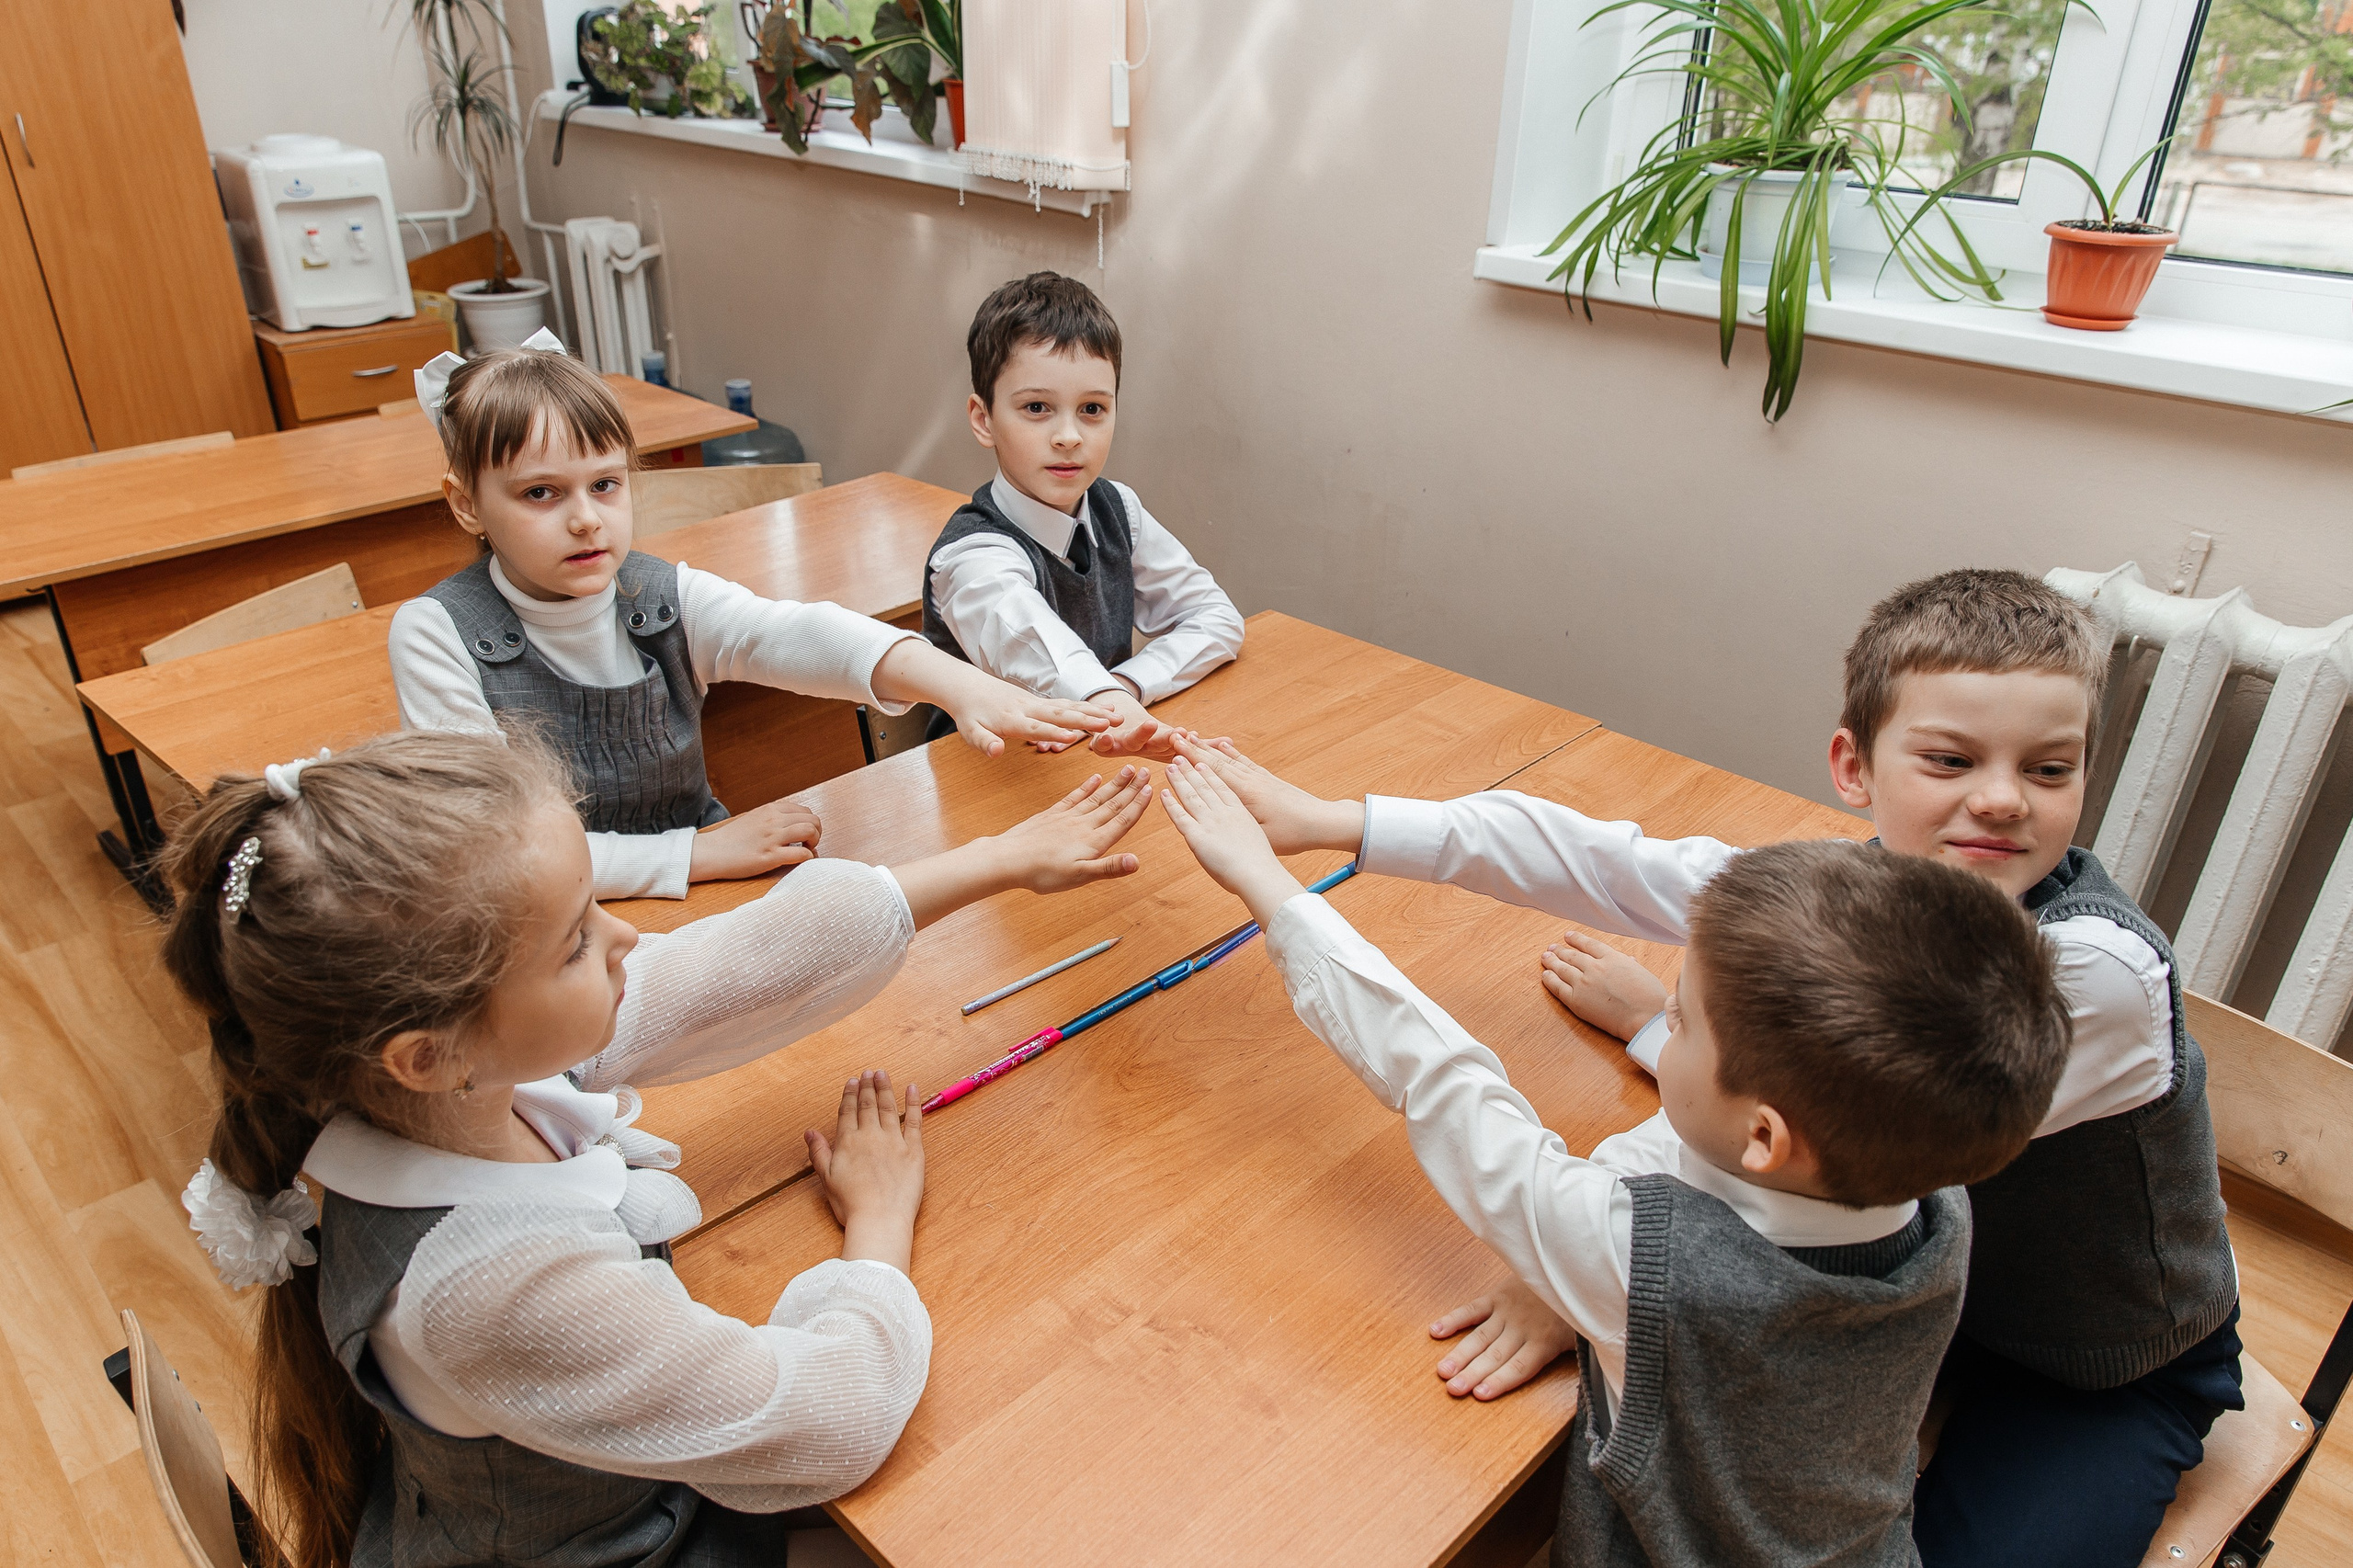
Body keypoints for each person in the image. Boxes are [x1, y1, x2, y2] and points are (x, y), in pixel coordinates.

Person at [165, 730, 1151, 1568]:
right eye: (574, 940)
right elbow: (833, 1415)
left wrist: (997, 859)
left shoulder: (446, 1088)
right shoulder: (488, 1288)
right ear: (430, 1052)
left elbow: (739, 961)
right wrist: (881, 1224)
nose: (626, 936)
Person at [1153, 746, 2070, 1567]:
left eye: (1679, 1020)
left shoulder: (1645, 1267)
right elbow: (1703, 1164)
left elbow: (1442, 1079)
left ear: (1762, 1131)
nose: (1662, 1022)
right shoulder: (1933, 1188)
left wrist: (1264, 884)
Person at [1534, 569, 2242, 1568]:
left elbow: (1829, 1128)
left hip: (2096, 1366)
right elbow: (1640, 869)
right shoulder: (1883, 887)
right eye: (1952, 758)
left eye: (2049, 771)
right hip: (1920, 1294)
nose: (1999, 800)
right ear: (1856, 766)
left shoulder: (2092, 970)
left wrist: (1563, 1239)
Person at [390, 331, 1115, 900]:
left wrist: (963, 686)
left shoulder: (658, 594)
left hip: (705, 884)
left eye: (605, 485)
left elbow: (795, 633)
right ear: (465, 503)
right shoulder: (435, 634)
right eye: (541, 494)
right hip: (558, 926)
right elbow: (502, 855)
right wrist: (697, 853)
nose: (586, 521)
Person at [920, 273, 1245, 758]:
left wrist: (1127, 686)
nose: (1069, 436)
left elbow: (1216, 618)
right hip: (989, 786)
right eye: (1037, 407)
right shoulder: (969, 556)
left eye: (1092, 408)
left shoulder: (1119, 510)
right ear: (983, 419)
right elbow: (1030, 639)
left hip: (1095, 759)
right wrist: (1106, 703)